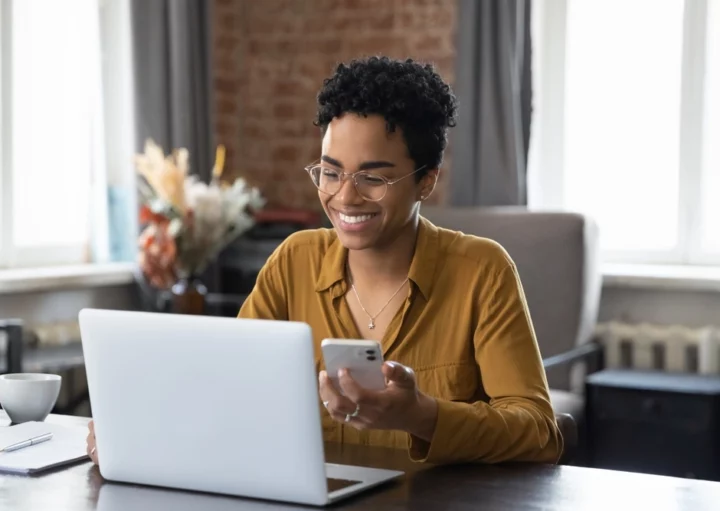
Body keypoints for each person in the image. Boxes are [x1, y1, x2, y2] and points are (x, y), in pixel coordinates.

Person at [87, 56, 563, 466]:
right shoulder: (294, 260)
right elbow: (226, 386)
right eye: (330, 172)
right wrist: (138, 428)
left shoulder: (482, 271)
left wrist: (422, 415)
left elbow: (540, 432)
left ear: (426, 181)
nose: (344, 196)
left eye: (373, 178)